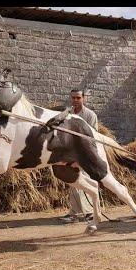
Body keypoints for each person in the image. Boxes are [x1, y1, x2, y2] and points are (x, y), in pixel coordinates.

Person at [58, 89, 99, 224]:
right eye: (73, 98)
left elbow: (93, 136)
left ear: (84, 99)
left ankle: (88, 213)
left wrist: (83, 156)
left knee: (85, 181)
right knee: (73, 181)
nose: (75, 100)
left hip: (85, 152)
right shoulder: (68, 113)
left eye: (78, 98)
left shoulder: (90, 115)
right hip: (70, 153)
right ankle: (75, 213)